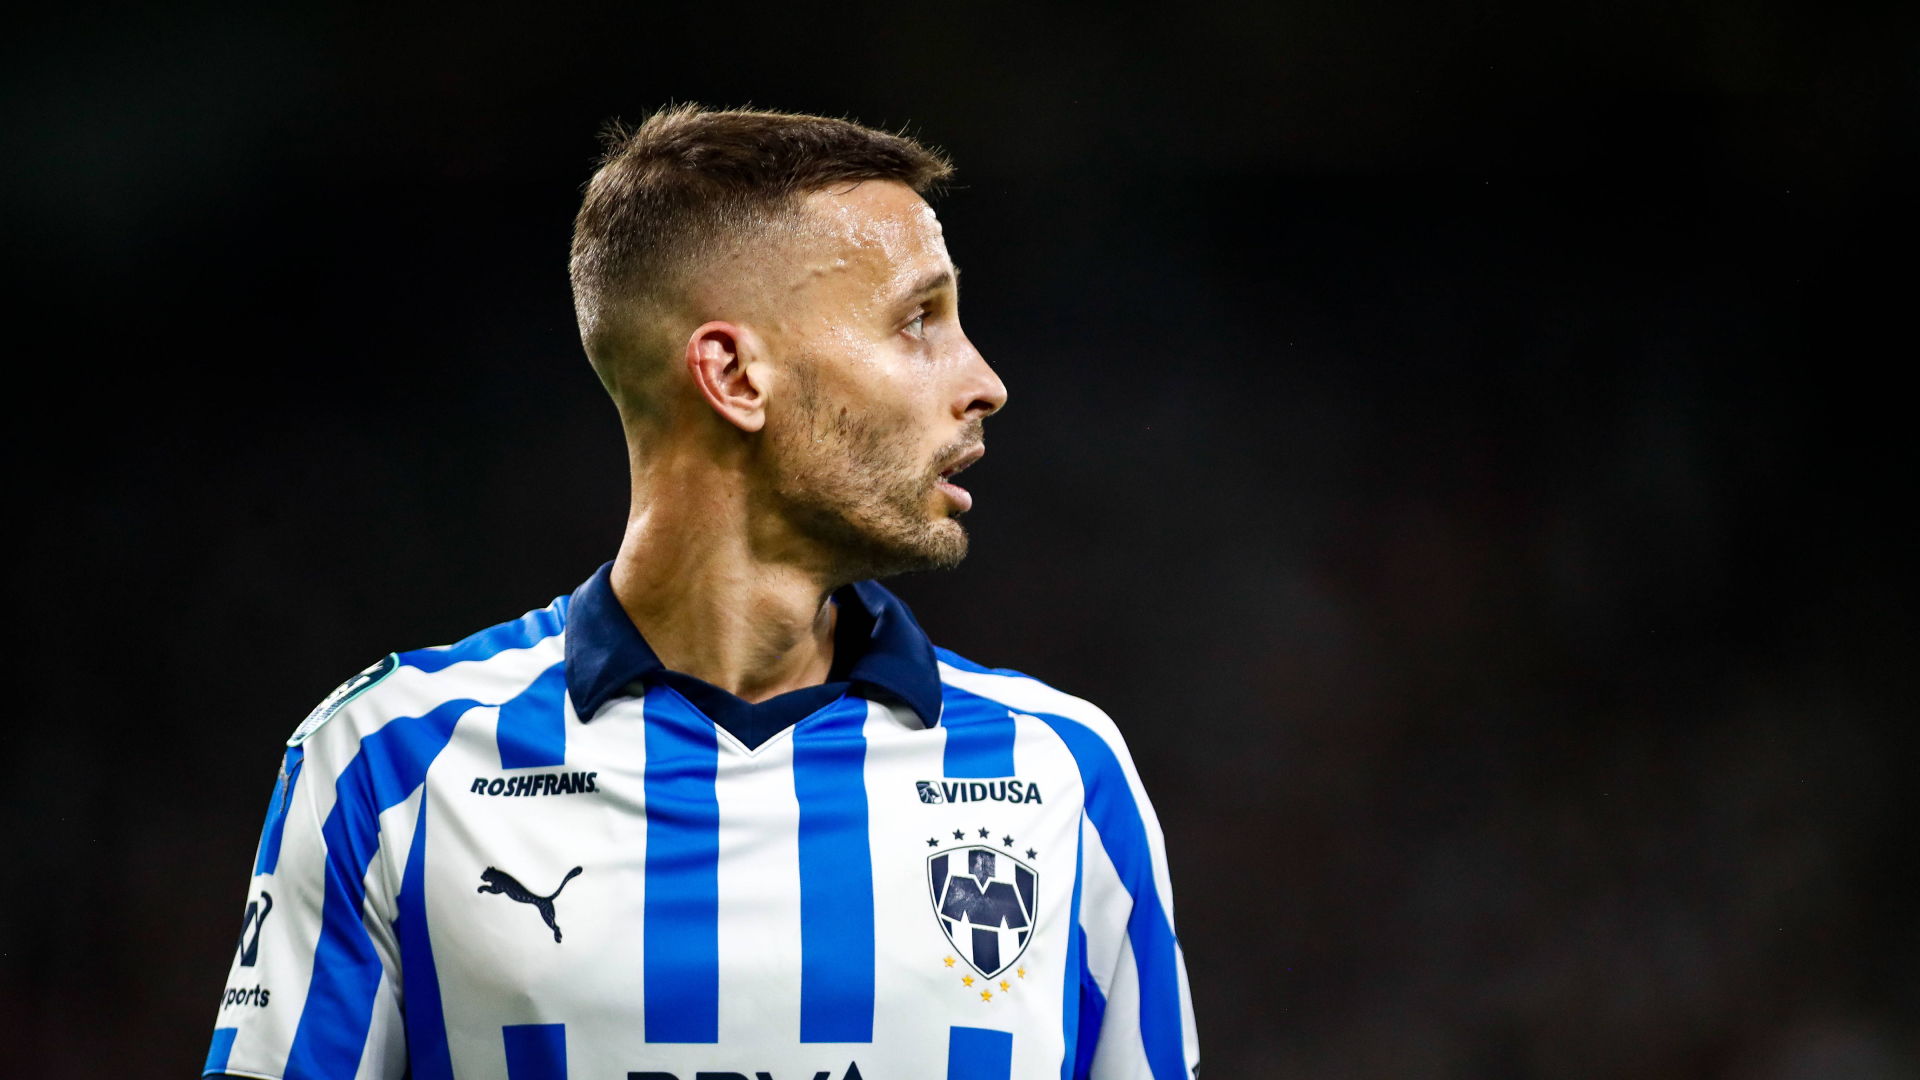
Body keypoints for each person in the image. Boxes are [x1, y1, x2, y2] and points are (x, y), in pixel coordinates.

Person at [204, 105, 1198, 1080]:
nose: (984, 380)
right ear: (733, 374)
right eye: (918, 320)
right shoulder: (388, 768)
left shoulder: (1061, 774)